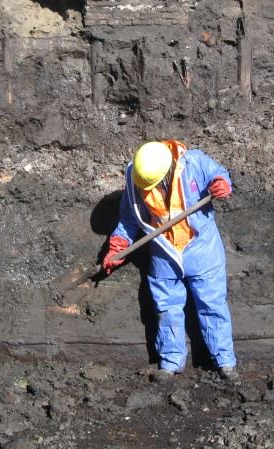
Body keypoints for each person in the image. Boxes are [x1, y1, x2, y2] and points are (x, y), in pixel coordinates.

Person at [103, 140, 238, 381]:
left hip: (201, 248)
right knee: (167, 308)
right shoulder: (136, 177)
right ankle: (170, 361)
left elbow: (220, 175)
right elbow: (130, 218)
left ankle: (224, 361)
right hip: (164, 250)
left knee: (212, 304)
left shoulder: (194, 162)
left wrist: (222, 185)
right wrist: (118, 244)